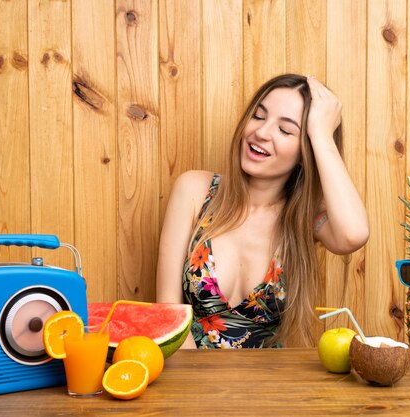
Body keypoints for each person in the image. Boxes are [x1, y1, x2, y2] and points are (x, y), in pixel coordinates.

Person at [156, 74, 369, 349]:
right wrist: (200, 388)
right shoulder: (195, 190)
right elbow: (168, 313)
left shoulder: (305, 219)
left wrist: (322, 135)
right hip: (190, 380)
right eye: (258, 116)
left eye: (285, 130)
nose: (261, 132)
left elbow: (354, 234)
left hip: (270, 387)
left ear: (306, 152)